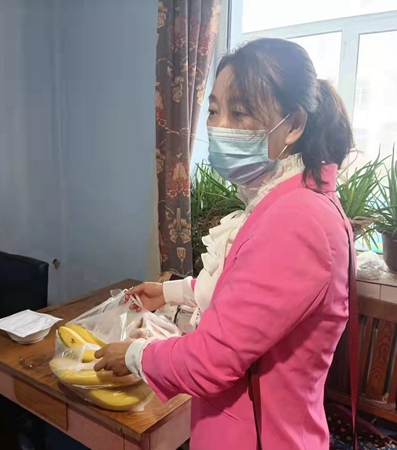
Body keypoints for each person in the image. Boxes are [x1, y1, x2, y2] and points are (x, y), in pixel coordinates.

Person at [94, 38, 355, 449]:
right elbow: (249, 295)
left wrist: (133, 356)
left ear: (294, 125)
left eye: (241, 112)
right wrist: (171, 292)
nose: (219, 127)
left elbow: (212, 360)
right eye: (214, 111)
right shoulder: (289, 199)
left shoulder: (297, 219)